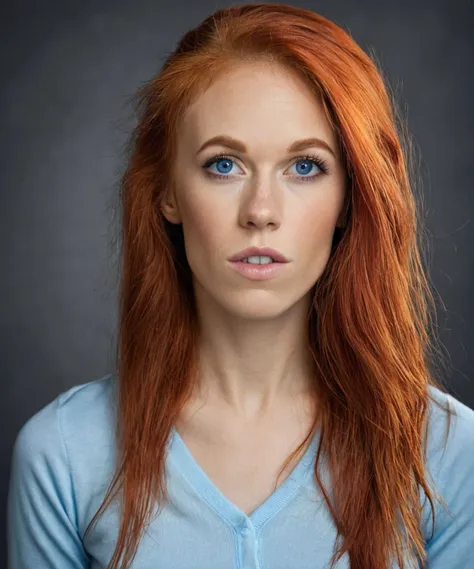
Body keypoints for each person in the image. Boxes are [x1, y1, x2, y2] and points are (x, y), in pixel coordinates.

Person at [7, 3, 474, 569]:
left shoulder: (448, 455)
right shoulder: (63, 454)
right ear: (167, 193)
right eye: (223, 165)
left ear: (352, 197)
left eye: (305, 167)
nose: (261, 211)